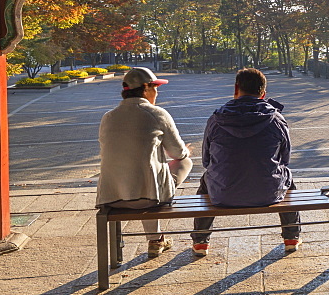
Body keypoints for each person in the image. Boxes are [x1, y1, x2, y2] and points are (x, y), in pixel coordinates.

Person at [190, 68, 299, 257]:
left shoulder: (216, 119)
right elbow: (285, 159)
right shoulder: (276, 119)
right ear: (263, 94)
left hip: (223, 194)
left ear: (236, 89)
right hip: (268, 193)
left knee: (206, 180)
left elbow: (207, 161)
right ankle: (291, 238)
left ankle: (200, 241)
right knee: (288, 178)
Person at [95, 67, 192, 258]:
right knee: (184, 162)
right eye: (155, 87)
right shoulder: (157, 113)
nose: (157, 92)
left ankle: (156, 239)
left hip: (112, 196)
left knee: (141, 174)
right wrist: (184, 151)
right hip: (149, 198)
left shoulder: (108, 117)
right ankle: (155, 240)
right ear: (146, 88)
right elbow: (178, 153)